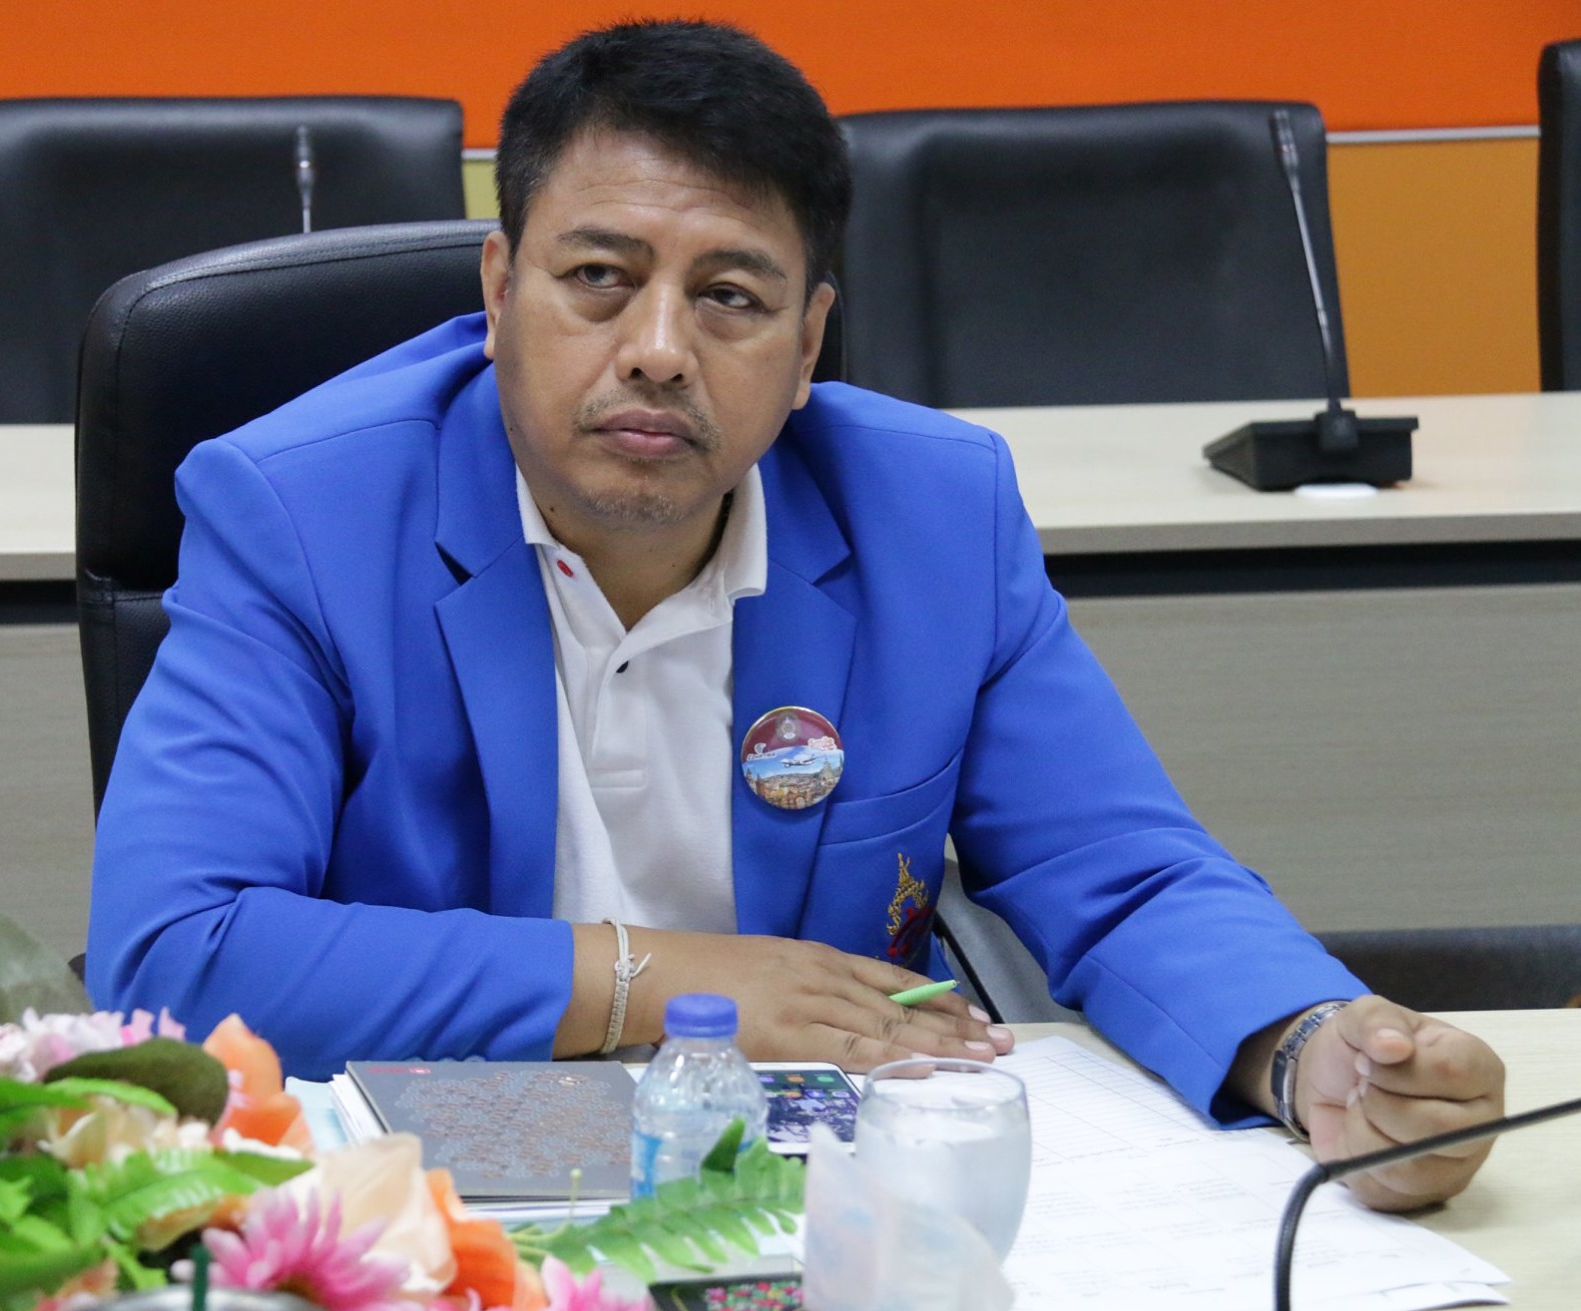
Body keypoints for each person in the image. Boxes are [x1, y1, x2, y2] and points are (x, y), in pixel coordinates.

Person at [89, 20, 1503, 1210]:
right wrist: (666, 982)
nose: (657, 350)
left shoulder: (933, 511)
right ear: (501, 289)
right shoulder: (302, 512)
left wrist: (1306, 1046)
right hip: (440, 1178)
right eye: (598, 279)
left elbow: (1118, 867)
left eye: (729, 297)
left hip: (825, 1180)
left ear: (809, 340)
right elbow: (178, 954)